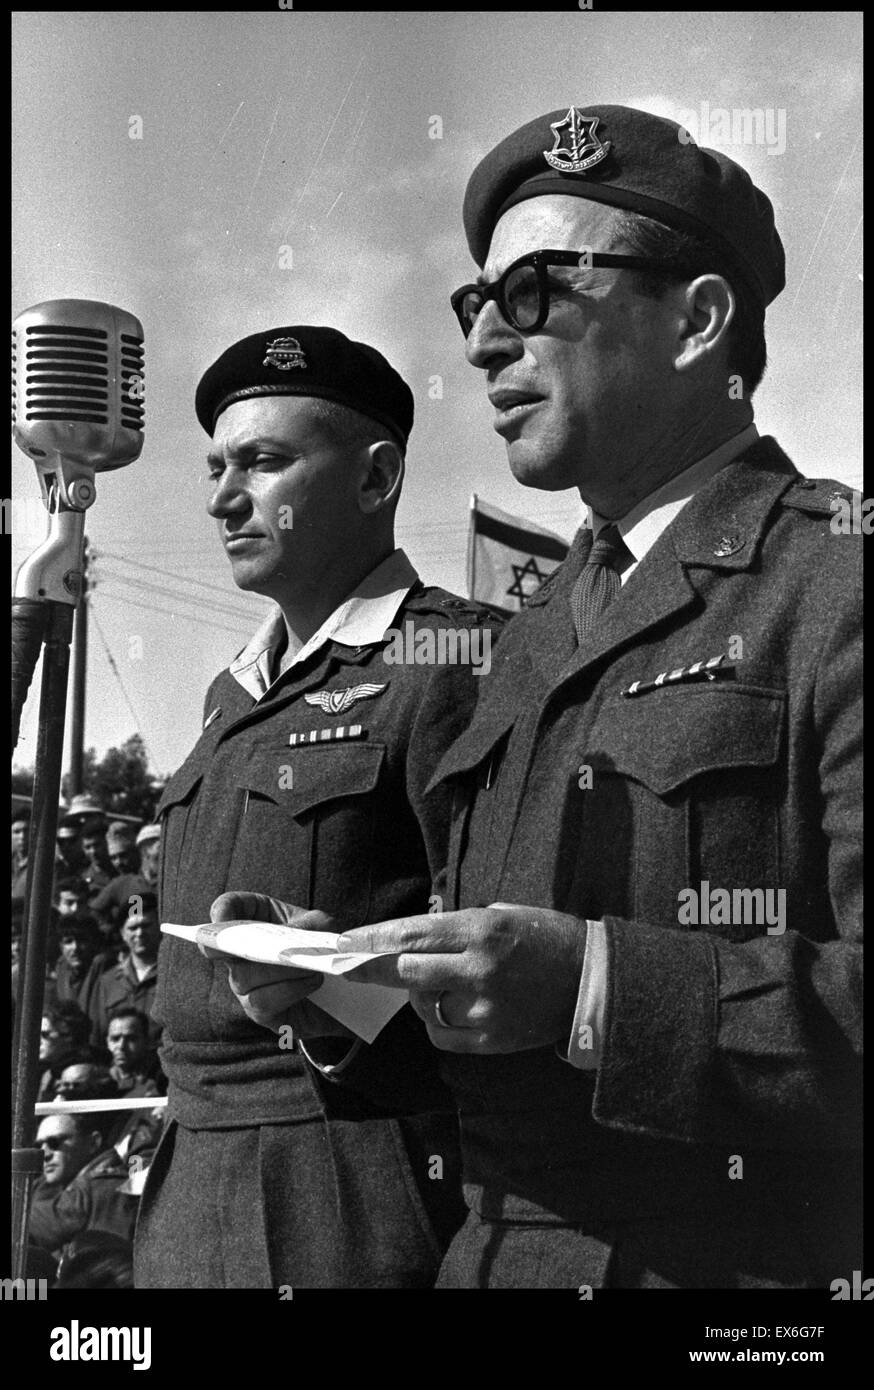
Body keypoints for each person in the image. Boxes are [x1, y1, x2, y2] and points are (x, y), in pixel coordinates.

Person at [312, 106, 860, 1290]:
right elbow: (488, 1050)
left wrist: (596, 984)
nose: (481, 350)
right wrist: (341, 996)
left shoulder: (835, 579)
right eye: (476, 306)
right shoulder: (531, 635)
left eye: (533, 294)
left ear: (699, 319)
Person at [134, 324, 502, 1290]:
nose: (221, 497)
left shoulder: (454, 662)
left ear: (376, 480)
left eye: (263, 461)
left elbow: (512, 959)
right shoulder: (231, 696)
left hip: (349, 1182)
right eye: (218, 465)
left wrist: (341, 999)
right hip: (190, 1179)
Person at [29, 1111, 137, 1256]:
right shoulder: (109, 1179)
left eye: (54, 1143)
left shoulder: (95, 1187)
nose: (45, 1154)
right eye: (39, 1146)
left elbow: (27, 1228)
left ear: (93, 1142)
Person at [92, 895, 161, 1042]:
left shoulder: (172, 977)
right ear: (123, 933)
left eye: (146, 925)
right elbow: (97, 1034)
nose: (140, 933)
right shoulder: (108, 981)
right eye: (133, 928)